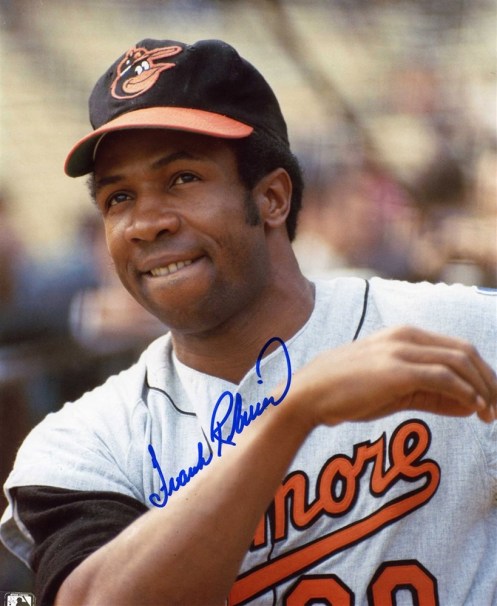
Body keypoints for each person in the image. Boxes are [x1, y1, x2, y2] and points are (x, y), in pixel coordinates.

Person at [0, 37, 496, 606]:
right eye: (118, 198)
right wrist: (292, 418)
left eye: (182, 178)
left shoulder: (462, 331)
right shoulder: (84, 441)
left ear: (272, 198)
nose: (146, 223)